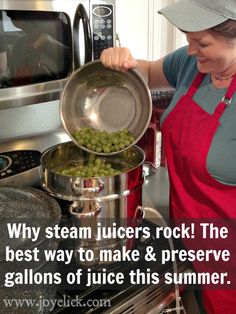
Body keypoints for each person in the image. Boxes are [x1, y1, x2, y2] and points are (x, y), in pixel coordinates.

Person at [100, 0, 236, 313]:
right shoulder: (192, 63)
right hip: (184, 230)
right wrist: (123, 60)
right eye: (188, 38)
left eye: (201, 42)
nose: (190, 50)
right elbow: (146, 72)